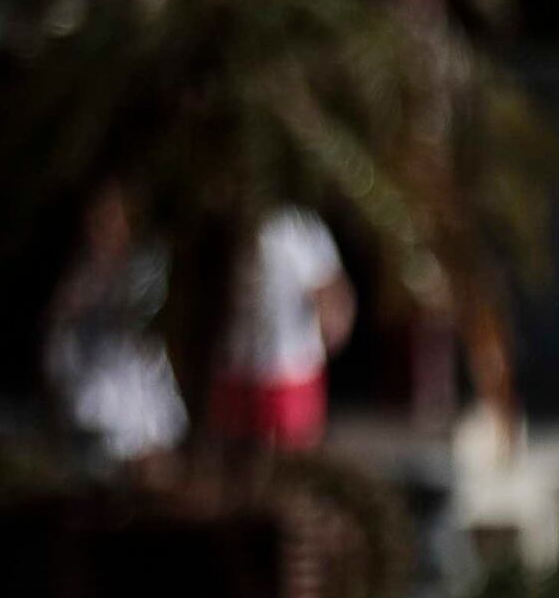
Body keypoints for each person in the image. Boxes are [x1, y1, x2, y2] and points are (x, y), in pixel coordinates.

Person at [46, 187, 185, 467]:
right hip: (91, 392)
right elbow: (60, 333)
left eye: (110, 219)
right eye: (96, 221)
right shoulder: (80, 274)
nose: (100, 230)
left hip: (135, 388)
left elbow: (140, 318)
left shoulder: (145, 267)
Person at [216, 206, 352, 450]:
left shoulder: (296, 222)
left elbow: (331, 288)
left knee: (291, 458)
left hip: (290, 370)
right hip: (236, 366)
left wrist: (327, 336)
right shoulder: (228, 216)